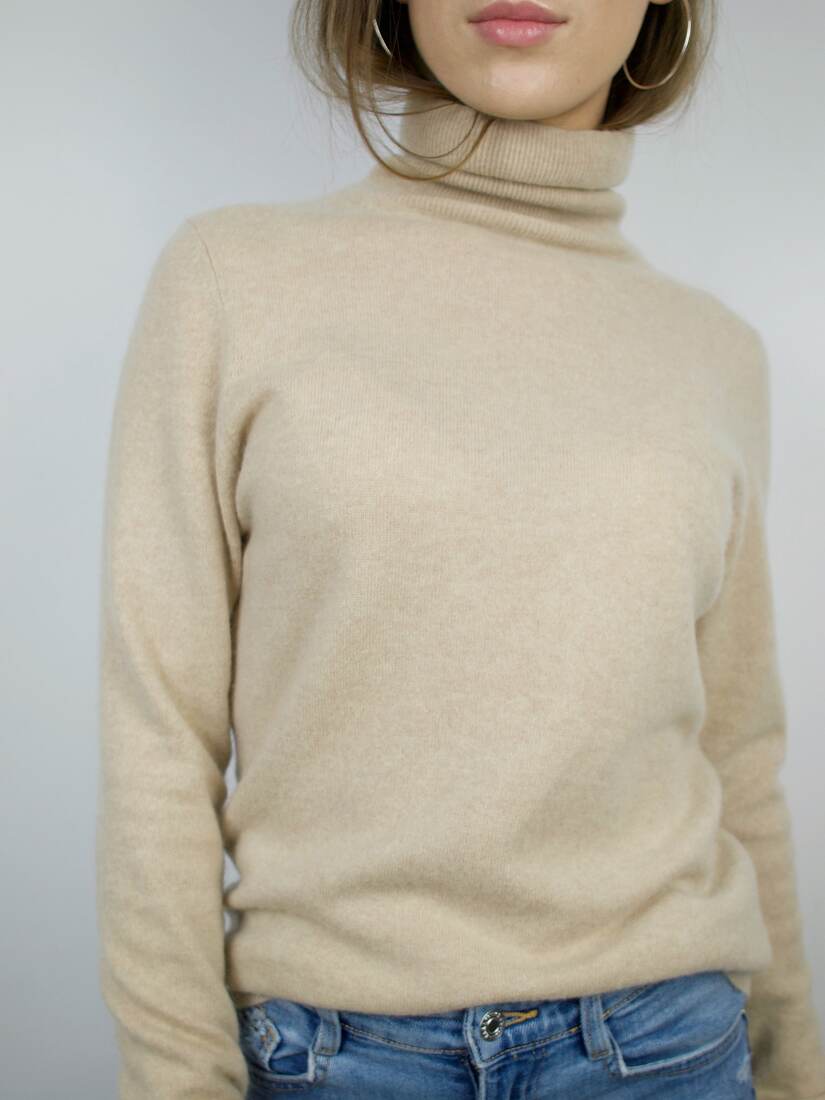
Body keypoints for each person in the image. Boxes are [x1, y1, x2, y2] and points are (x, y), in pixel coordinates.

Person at [95, 1, 825, 1098]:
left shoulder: (717, 353)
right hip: (333, 1058)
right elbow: (158, 736)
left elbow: (738, 757)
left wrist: (795, 1067)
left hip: (665, 1050)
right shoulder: (229, 281)